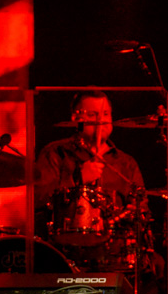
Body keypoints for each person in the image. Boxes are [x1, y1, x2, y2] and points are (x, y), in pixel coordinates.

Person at [35, 89, 149, 269]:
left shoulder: (126, 163)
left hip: (114, 256)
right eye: (93, 114)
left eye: (105, 114)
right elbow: (38, 198)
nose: (100, 120)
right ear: (75, 118)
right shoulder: (56, 153)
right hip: (64, 254)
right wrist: (77, 178)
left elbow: (141, 208)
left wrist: (132, 213)